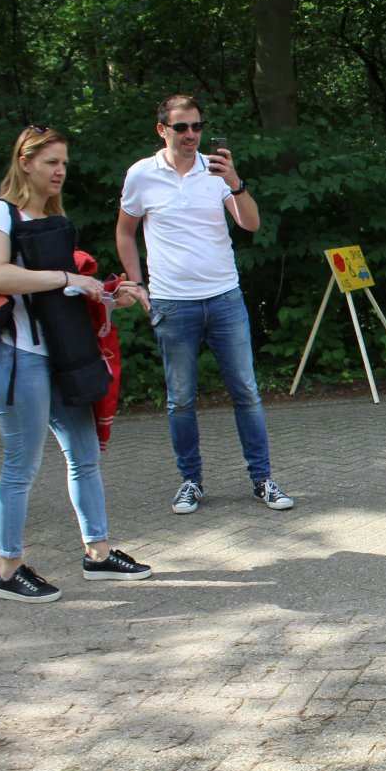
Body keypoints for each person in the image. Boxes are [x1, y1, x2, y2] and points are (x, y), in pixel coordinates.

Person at [0, 126, 154, 602]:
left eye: (64, 164)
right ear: (26, 162)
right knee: (21, 466)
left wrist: (111, 295)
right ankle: (8, 568)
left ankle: (98, 555)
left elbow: (64, 297)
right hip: (17, 358)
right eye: (52, 162)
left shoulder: (53, 219)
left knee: (85, 457)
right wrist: (66, 276)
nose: (60, 172)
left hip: (62, 356)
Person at [115, 95, 294, 515]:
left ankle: (262, 479)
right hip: (172, 303)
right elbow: (125, 232)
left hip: (224, 298)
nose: (191, 134)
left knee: (247, 393)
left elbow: (251, 224)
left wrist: (235, 182)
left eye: (196, 126)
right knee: (180, 399)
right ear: (162, 129)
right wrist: (137, 284)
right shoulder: (142, 175)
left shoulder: (216, 172)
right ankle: (190, 482)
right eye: (182, 127)